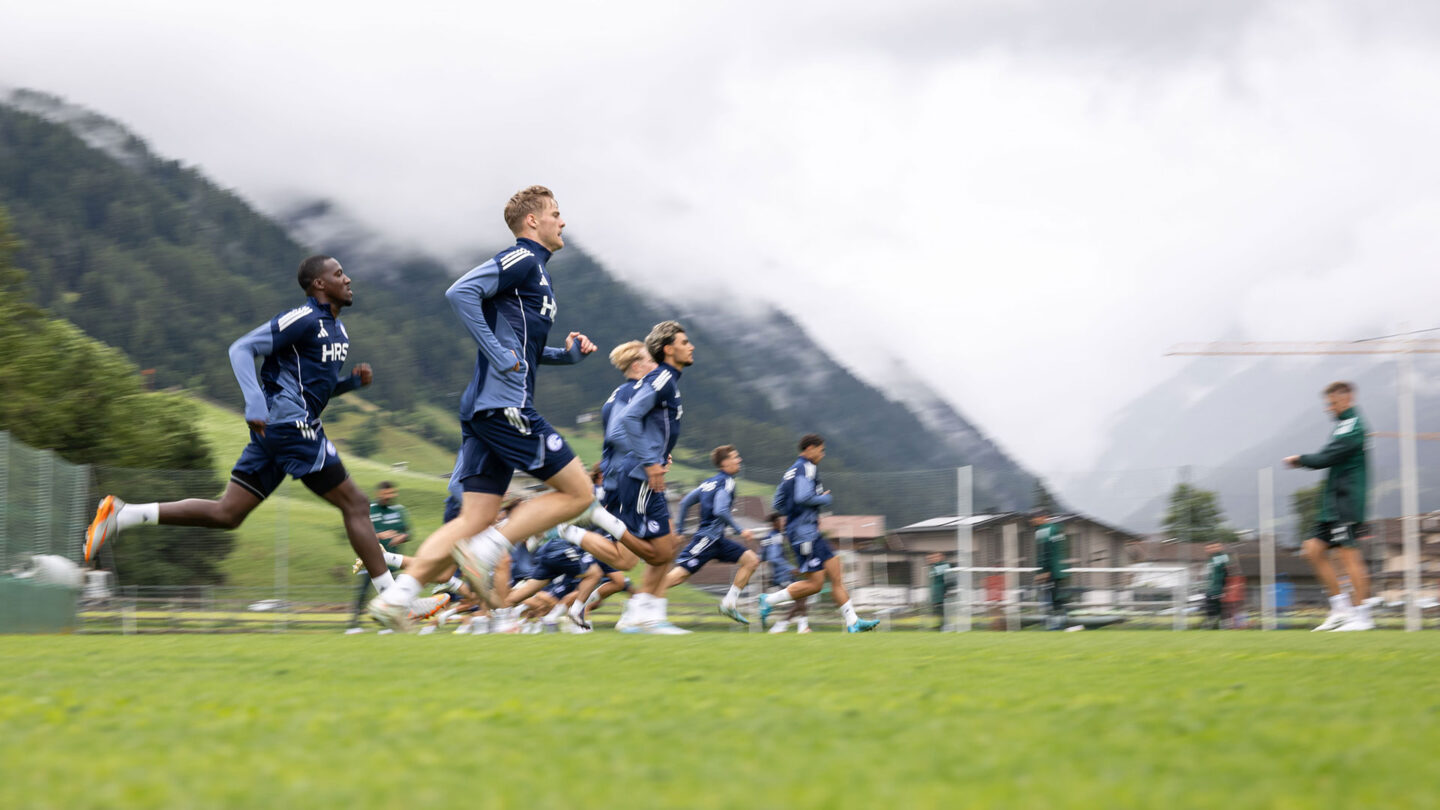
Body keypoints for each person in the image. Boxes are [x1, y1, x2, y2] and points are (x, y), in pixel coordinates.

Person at [84, 255, 394, 594]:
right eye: (339, 274)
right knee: (356, 505)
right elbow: (241, 348)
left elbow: (315, 388)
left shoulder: (339, 331)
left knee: (227, 514)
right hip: (292, 427)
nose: (347, 279)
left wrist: (350, 384)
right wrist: (253, 400)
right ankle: (393, 600)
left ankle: (122, 514)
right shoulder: (302, 318)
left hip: (280, 429)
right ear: (320, 284)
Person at [369, 186, 598, 630]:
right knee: (580, 493)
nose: (562, 221)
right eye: (555, 213)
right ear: (532, 221)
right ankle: (487, 551)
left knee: (476, 517)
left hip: (484, 408)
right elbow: (461, 292)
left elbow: (522, 349)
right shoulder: (523, 257)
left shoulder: (538, 273)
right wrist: (496, 353)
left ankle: (398, 597)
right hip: (505, 403)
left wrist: (566, 356)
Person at [595, 320, 695, 634]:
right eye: (685, 342)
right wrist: (651, 460)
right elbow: (627, 421)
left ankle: (643, 615)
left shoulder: (665, 379)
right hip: (639, 474)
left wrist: (659, 452)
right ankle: (644, 616)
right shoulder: (661, 378)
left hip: (644, 471)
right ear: (668, 349)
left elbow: (647, 425)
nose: (691, 346)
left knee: (667, 548)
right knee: (657, 553)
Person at [758, 434, 879, 633]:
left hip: (808, 532)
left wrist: (796, 513)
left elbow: (777, 503)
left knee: (835, 571)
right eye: (821, 450)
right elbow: (803, 497)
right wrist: (824, 499)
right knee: (815, 585)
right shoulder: (806, 467)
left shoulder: (791, 471)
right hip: (804, 534)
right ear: (810, 449)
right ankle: (768, 600)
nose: (823, 454)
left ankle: (853, 621)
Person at [1285, 381, 1373, 631]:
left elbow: (1326, 457)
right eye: (1328, 404)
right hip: (1332, 504)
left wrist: (1300, 459)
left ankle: (1362, 616)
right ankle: (1340, 608)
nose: (1329, 408)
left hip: (1346, 502)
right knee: (1312, 549)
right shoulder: (1343, 425)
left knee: (1348, 556)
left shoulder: (1353, 426)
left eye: (1333, 403)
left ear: (1348, 399)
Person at [663, 445, 761, 626]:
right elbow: (720, 510)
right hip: (707, 539)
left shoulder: (708, 483)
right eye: (735, 457)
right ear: (725, 463)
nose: (739, 460)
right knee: (680, 574)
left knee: (751, 561)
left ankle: (729, 604)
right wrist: (740, 530)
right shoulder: (727, 482)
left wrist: (680, 530)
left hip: (718, 540)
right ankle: (642, 598)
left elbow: (685, 503)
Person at [346, 481, 411, 632]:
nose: (389, 496)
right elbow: (358, 533)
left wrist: (401, 537)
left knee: (391, 596)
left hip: (392, 563)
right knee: (363, 592)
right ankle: (354, 625)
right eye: (386, 493)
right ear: (379, 493)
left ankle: (388, 625)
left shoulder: (399, 511)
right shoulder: (369, 509)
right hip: (370, 561)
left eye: (391, 493)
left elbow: (408, 533)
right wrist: (379, 535)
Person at [1032, 511, 1068, 630]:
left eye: (1035, 517)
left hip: (1051, 571)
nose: (1033, 520)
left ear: (1043, 517)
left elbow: (1045, 553)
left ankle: (1055, 626)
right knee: (1058, 598)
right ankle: (1062, 623)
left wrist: (1043, 572)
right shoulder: (1056, 528)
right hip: (1060, 570)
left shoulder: (1043, 531)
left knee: (1051, 599)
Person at [1202, 542, 1231, 630]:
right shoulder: (1211, 559)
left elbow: (1227, 572)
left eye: (1214, 547)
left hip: (1219, 589)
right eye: (1208, 548)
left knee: (1220, 609)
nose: (1211, 549)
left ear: (1220, 547)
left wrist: (1225, 587)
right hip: (1211, 589)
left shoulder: (1222, 557)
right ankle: (1213, 626)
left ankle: (1223, 627)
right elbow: (1210, 575)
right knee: (1212, 609)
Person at [926, 552, 950, 631]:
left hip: (941, 591)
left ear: (941, 557)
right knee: (938, 610)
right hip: (936, 592)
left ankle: (944, 626)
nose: (932, 559)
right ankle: (941, 625)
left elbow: (945, 579)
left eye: (935, 557)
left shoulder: (944, 565)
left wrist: (945, 591)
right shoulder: (935, 566)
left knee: (941, 609)